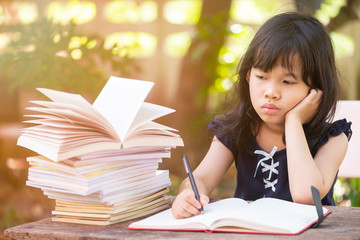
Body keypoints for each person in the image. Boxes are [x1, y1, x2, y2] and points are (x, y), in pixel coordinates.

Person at [172, 12, 352, 219]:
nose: (270, 92)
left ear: (316, 88)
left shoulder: (332, 138)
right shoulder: (236, 129)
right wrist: (188, 194)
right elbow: (201, 179)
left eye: (288, 82)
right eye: (261, 76)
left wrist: (293, 122)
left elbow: (306, 195)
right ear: (248, 76)